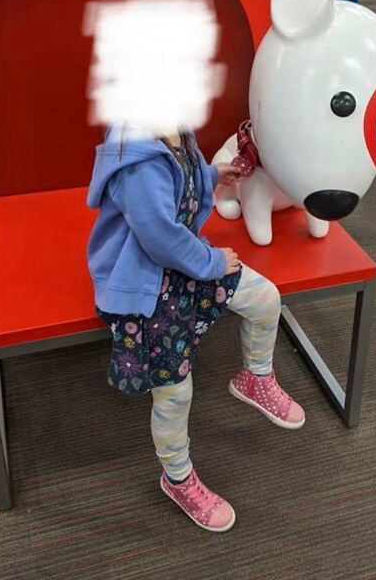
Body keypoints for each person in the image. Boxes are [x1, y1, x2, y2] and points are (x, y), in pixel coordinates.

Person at [87, 125, 305, 533]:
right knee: (174, 391)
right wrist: (212, 263)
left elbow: (180, 182)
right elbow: (160, 238)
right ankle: (177, 478)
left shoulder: (175, 131)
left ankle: (255, 378)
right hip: (144, 282)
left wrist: (210, 175)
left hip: (183, 263)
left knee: (265, 299)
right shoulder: (138, 158)